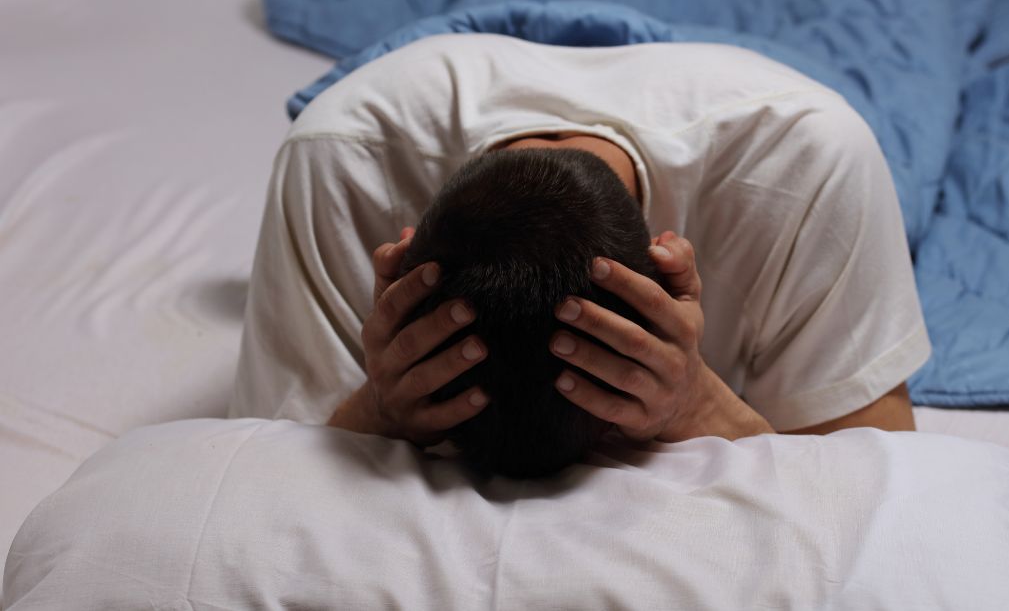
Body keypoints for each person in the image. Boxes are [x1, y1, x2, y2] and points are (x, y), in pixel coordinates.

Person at [231, 33, 931, 476]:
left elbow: (881, 480)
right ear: (400, 258)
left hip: (747, 66)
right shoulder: (336, 161)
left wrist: (697, 404)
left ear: (669, 264)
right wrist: (377, 411)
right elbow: (271, 481)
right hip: (431, 59)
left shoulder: (807, 161)